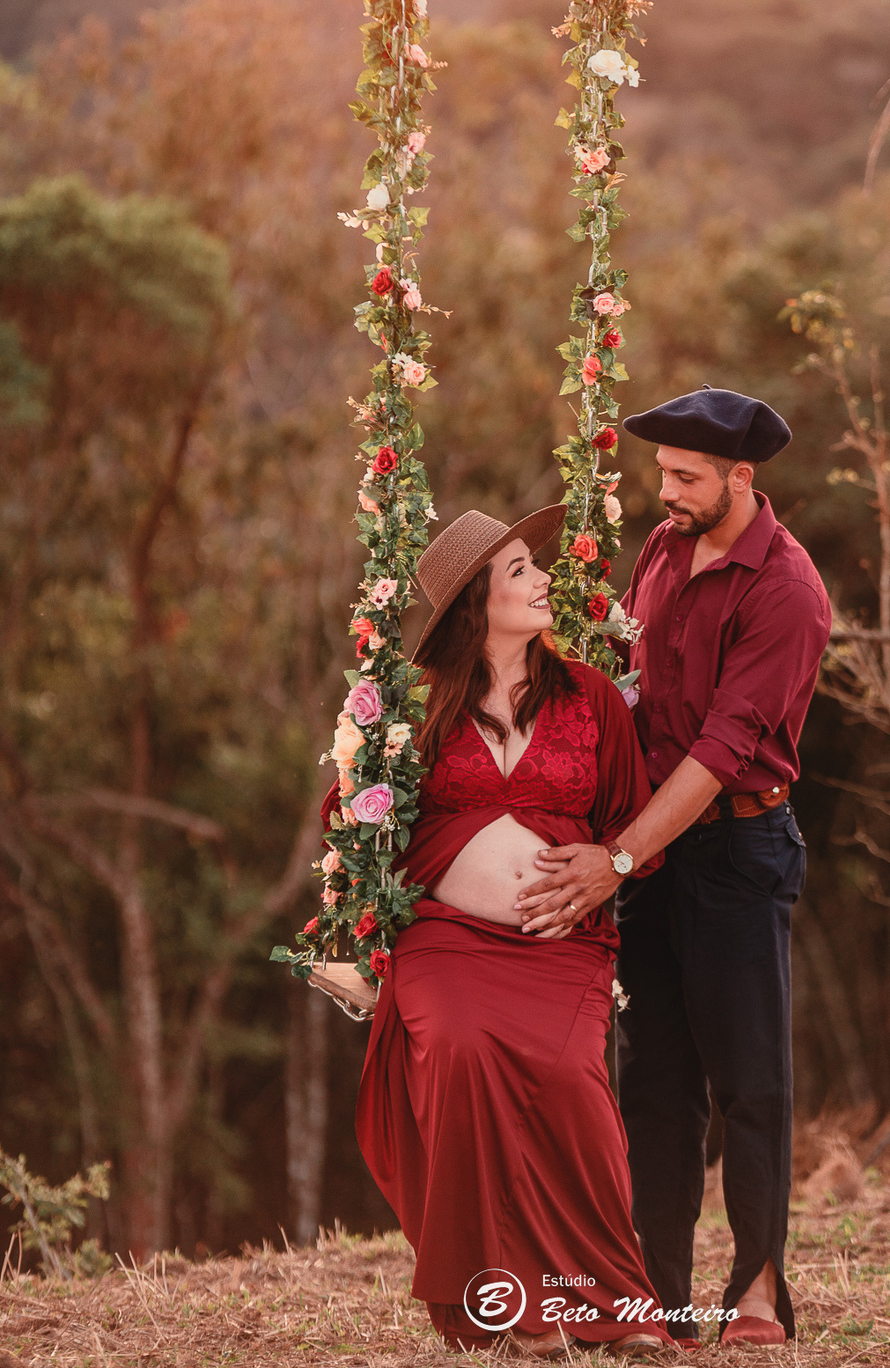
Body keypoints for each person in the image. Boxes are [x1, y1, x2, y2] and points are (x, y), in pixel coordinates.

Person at [516, 387, 831, 1349]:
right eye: (662, 474)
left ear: (742, 476)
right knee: (654, 1082)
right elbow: (633, 682)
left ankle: (759, 1291)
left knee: (750, 1081)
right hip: (649, 845)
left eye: (687, 478)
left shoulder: (786, 589)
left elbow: (718, 752)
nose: (668, 492)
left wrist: (614, 858)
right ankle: (656, 1293)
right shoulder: (661, 547)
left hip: (736, 845)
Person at [342, 504, 672, 1357]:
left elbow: (634, 824)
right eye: (519, 570)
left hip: (560, 947)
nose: (542, 579)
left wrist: (608, 861)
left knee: (572, 1083)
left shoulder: (592, 698)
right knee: (457, 1049)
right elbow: (354, 827)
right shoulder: (414, 711)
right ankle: (501, 1307)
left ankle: (611, 1303)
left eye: (537, 564)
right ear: (473, 605)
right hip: (444, 943)